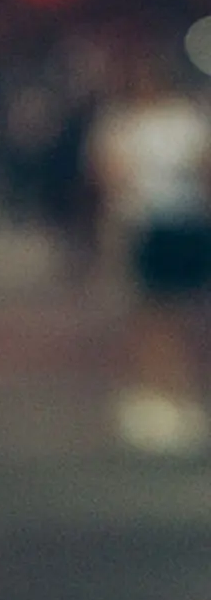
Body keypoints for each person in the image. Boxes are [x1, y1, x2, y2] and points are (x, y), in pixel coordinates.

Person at [84, 40, 211, 455]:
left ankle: (183, 395)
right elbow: (106, 173)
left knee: (187, 314)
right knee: (149, 314)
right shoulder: (120, 121)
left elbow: (204, 165)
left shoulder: (186, 117)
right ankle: (151, 395)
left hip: (184, 224)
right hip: (142, 226)